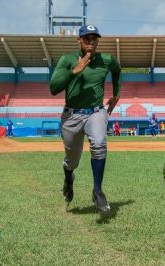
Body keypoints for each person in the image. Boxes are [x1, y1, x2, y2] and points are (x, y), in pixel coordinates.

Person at [49, 24, 121, 214]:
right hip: (71, 115)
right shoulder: (67, 60)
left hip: (96, 112)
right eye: (87, 39)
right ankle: (68, 177)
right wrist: (75, 70)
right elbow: (53, 88)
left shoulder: (106, 60)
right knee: (71, 161)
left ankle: (98, 191)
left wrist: (116, 95)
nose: (91, 42)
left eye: (94, 39)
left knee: (99, 143)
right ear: (79, 40)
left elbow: (117, 70)